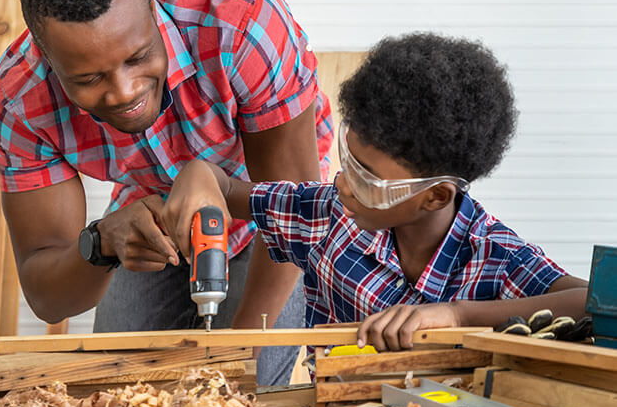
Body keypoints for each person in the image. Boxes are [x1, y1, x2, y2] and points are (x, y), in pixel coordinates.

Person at [0, 0, 334, 384]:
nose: (124, 91)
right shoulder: (22, 97)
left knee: (250, 385)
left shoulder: (241, 23)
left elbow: (297, 216)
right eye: (90, 77)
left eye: (139, 57)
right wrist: (102, 244)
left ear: (154, 8)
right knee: (119, 387)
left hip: (268, 215)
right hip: (152, 205)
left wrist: (240, 361)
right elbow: (49, 297)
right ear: (48, 61)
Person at [159, 32, 589, 352]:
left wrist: (456, 315)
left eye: (367, 178)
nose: (344, 183)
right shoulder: (328, 217)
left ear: (435, 196)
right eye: (349, 160)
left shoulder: (494, 260)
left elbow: (595, 304)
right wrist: (198, 173)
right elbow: (226, 187)